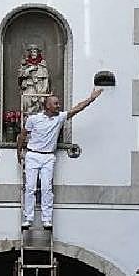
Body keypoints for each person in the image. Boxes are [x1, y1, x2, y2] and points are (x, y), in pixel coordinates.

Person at [16, 88, 104, 231]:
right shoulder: (34, 119)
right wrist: (18, 152)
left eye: (58, 103)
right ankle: (28, 218)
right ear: (47, 105)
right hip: (33, 155)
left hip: (48, 156)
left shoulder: (59, 118)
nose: (58, 106)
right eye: (56, 103)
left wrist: (91, 98)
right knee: (30, 187)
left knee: (46, 188)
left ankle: (46, 219)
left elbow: (77, 109)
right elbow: (22, 135)